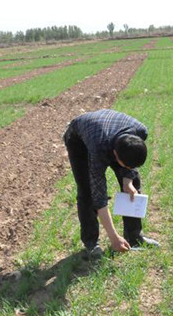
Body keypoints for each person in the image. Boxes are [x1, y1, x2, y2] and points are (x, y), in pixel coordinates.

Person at [63, 109, 159, 258]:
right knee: (87, 190)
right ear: (115, 155)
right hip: (79, 140)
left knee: (133, 183)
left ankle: (134, 237)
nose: (127, 169)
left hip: (109, 131)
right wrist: (113, 237)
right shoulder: (98, 150)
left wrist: (128, 180)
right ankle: (91, 243)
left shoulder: (141, 131)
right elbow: (99, 197)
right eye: (124, 165)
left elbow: (130, 167)